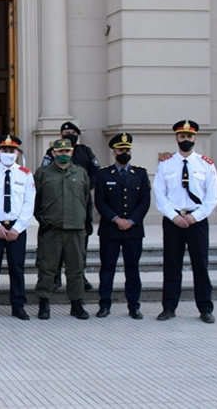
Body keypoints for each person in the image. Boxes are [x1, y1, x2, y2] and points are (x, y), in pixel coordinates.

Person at [153, 120, 217, 323]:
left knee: (200, 265)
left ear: (195, 138)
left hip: (196, 220)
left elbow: (213, 196)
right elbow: (159, 193)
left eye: (189, 137)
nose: (185, 140)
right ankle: (169, 307)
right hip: (173, 221)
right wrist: (174, 216)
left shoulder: (206, 165)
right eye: (182, 136)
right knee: (172, 265)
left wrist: (195, 216)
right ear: (176, 138)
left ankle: (205, 308)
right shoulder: (166, 164)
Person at [94, 133, 150, 319]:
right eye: (120, 150)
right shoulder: (103, 174)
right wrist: (117, 219)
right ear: (113, 152)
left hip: (133, 230)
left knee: (132, 269)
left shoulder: (140, 174)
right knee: (107, 268)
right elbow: (100, 202)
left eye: (126, 150)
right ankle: (104, 305)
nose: (123, 153)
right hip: (110, 229)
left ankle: (134, 306)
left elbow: (144, 201)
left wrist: (131, 221)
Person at [0, 134, 34, 320]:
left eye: (12, 151)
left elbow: (28, 204)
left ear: (17, 153)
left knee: (16, 269)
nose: (8, 154)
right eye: (5, 150)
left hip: (16, 229)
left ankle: (18, 305)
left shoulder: (25, 175)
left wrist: (18, 228)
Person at [34, 138, 91, 320]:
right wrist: (41, 220)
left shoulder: (81, 173)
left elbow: (86, 201)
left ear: (72, 152)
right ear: (53, 153)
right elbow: (35, 201)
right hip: (51, 229)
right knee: (47, 269)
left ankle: (77, 305)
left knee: (76, 269)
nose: (63, 155)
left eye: (67, 151)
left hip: (75, 229)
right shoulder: (43, 174)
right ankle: (44, 304)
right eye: (60, 152)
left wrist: (86, 225)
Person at [42, 121, 99, 291]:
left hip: (80, 202)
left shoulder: (86, 151)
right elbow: (44, 174)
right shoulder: (51, 152)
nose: (69, 134)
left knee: (80, 242)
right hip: (57, 203)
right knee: (56, 243)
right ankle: (55, 277)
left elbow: (96, 172)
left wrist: (82, 187)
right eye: (66, 132)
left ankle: (80, 276)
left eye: (72, 132)